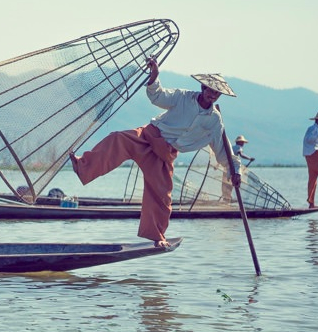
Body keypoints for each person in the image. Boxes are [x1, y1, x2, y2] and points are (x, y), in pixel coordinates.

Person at [69, 58, 241, 248]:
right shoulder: (183, 97)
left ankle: (156, 235)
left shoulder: (215, 121)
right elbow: (158, 96)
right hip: (149, 136)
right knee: (117, 138)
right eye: (210, 90)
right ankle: (83, 166)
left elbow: (222, 151)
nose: (213, 95)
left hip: (165, 153)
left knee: (162, 195)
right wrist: (154, 76)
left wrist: (235, 171)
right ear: (203, 88)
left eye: (217, 93)